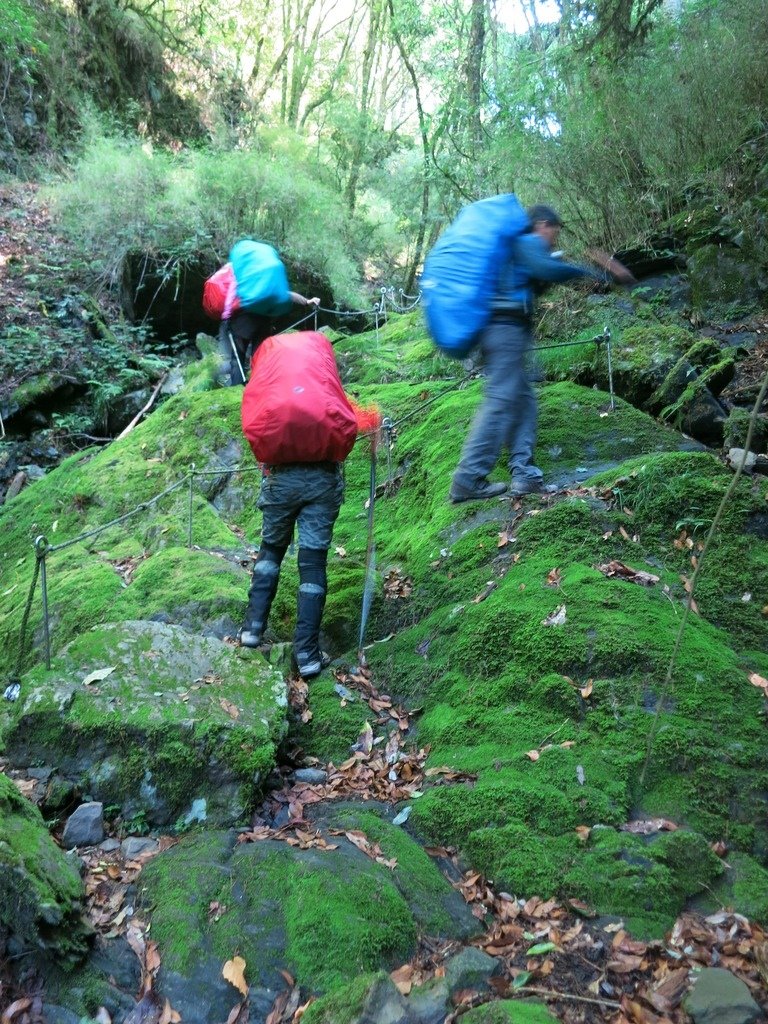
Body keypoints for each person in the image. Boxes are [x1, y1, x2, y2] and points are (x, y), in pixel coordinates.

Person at [449, 204, 635, 503]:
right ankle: (467, 478)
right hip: (504, 329)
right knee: (500, 400)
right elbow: (547, 269)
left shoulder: (517, 253)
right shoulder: (526, 242)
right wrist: (593, 272)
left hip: (506, 330)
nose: (554, 240)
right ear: (543, 225)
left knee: (523, 401)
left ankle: (524, 474)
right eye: (555, 233)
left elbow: (535, 280)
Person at [238, 333, 380, 679]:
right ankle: (307, 655)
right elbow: (345, 417)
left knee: (270, 550)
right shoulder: (322, 378)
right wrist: (373, 423)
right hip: (321, 479)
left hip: (280, 480)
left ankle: (251, 631)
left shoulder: (271, 373)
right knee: (313, 562)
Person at [221, 291, 319, 387]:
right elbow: (284, 294)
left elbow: (228, 300)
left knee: (237, 361)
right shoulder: (265, 282)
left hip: (241, 324)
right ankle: (260, 390)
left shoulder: (240, 282)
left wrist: (226, 317)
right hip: (262, 323)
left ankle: (236, 390)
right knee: (260, 359)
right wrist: (306, 301)